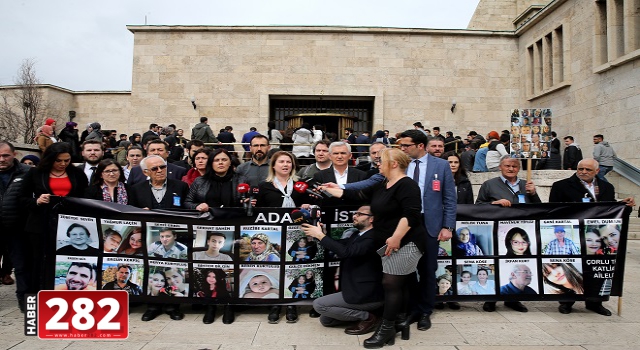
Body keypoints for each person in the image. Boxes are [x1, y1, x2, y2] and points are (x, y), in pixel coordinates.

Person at [323, 148, 427, 346]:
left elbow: (411, 214)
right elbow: (356, 195)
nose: (377, 164)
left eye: (381, 161)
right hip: (387, 241)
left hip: (406, 241)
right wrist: (331, 189)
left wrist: (396, 237)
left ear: (394, 163)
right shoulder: (383, 183)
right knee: (398, 282)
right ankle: (399, 321)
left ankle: (386, 330)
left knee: (391, 283)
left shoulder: (408, 185)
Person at [302, 205, 384, 335]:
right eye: (355, 213)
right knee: (326, 320)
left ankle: (369, 318)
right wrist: (322, 234)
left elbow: (346, 252)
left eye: (359, 214)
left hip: (366, 295)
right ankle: (365, 315)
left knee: (319, 305)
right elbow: (339, 245)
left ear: (372, 219)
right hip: (353, 289)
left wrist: (320, 235)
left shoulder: (373, 238)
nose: (355, 216)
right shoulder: (357, 234)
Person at [21, 142, 88, 292]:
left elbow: (85, 197)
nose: (63, 164)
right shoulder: (35, 173)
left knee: (66, 260)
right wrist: (37, 201)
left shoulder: (77, 173)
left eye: (67, 160)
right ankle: (35, 294)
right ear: (50, 159)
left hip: (69, 225)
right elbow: (22, 198)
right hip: (40, 224)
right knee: (38, 261)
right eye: (59, 160)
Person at [0, 141, 33, 309]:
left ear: (14, 155)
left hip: (18, 228)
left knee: (22, 266)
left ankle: (26, 301)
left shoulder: (27, 173)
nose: (2, 159)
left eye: (5, 155)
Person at [312, 142, 367, 207]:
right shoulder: (319, 176)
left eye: (343, 153)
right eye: (336, 153)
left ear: (350, 156)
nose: (339, 156)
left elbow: (364, 197)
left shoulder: (361, 175)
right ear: (330, 156)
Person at [476, 156, 541, 206]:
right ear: (500, 167)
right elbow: (478, 206)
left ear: (519, 168)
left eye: (514, 166)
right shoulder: (489, 184)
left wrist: (533, 194)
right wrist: (494, 203)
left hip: (523, 221)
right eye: (507, 166)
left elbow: (539, 207)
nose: (511, 169)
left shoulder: (526, 184)